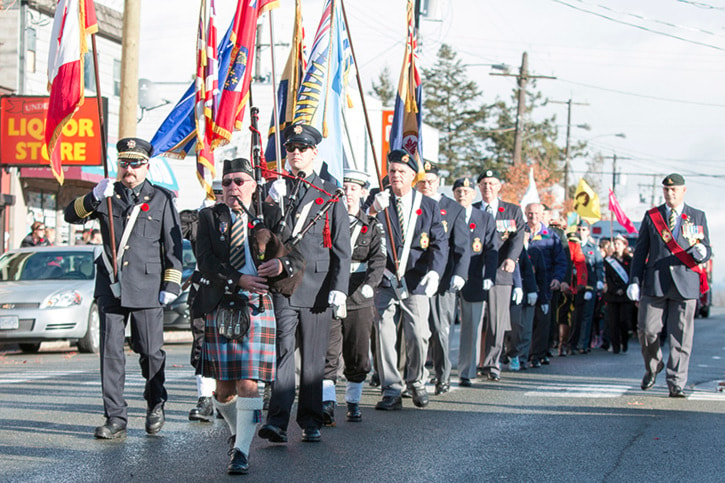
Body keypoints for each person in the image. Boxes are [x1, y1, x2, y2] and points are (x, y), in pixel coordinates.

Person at [64, 137, 183, 439]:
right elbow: (71, 216)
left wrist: (171, 282)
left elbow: (173, 248)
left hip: (147, 285)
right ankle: (115, 416)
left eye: (135, 164)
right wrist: (91, 197)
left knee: (150, 351)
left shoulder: (161, 198)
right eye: (124, 163)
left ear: (147, 166)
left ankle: (156, 401)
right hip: (112, 285)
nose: (129, 169)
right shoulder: (106, 195)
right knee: (111, 354)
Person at [193, 158, 302, 474]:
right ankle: (236, 433)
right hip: (222, 303)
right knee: (224, 390)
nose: (232, 188)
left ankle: (241, 451)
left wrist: (282, 266)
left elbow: (296, 254)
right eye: (226, 182)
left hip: (257, 305)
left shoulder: (270, 214)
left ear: (254, 185)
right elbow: (205, 262)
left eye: (239, 181)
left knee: (249, 383)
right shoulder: (209, 217)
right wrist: (237, 278)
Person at [259, 123, 351, 444]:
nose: (295, 154)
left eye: (301, 148)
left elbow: (341, 245)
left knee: (312, 358)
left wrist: (339, 287)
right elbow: (265, 236)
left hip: (318, 284)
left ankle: (310, 419)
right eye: (290, 148)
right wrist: (271, 205)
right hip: (285, 284)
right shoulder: (275, 188)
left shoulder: (329, 192)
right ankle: (278, 422)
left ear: (314, 153)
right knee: (283, 351)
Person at [371, 149, 447, 410]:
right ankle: (391, 387)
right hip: (384, 278)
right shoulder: (379, 200)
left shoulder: (428, 206)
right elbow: (359, 231)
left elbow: (439, 243)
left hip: (415, 280)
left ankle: (416, 380)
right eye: (392, 171)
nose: (395, 176)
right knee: (384, 334)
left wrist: (435, 272)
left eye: (401, 172)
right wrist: (371, 211)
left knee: (418, 334)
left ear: (413, 176)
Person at [627, 173, 711, 398]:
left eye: (674, 190)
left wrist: (703, 252)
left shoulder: (697, 216)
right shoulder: (652, 216)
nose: (669, 193)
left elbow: (706, 247)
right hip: (655, 282)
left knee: (681, 336)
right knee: (646, 330)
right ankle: (653, 366)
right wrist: (634, 280)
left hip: (685, 281)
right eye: (666, 190)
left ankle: (676, 381)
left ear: (684, 190)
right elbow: (640, 252)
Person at [322, 169, 385, 425]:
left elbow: (378, 260)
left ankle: (354, 401)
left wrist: (370, 285)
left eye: (353, 188)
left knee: (357, 352)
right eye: (344, 187)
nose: (348, 192)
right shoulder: (326, 221)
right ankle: (327, 402)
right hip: (328, 294)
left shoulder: (372, 226)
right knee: (328, 351)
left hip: (358, 295)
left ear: (362, 193)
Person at [416, 163, 469, 395]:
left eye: (431, 181)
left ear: (438, 182)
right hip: (415, 276)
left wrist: (459, 273)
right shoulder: (412, 203)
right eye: (422, 181)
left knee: (439, 329)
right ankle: (415, 376)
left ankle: (442, 376)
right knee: (415, 331)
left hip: (442, 279)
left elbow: (462, 246)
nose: (426, 186)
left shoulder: (452, 208)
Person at [473, 168, 524, 382]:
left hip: (501, 273)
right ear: (478, 187)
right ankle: (474, 362)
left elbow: (518, 237)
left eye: (492, 184)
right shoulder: (472, 209)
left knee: (496, 322)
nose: (488, 188)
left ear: (499, 187)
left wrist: (511, 258)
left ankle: (492, 363)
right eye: (484, 184)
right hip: (474, 272)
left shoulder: (511, 211)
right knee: (474, 320)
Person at [453, 177, 497, 386]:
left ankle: (466, 371)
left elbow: (491, 249)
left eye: (467, 191)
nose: (463, 194)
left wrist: (489, 276)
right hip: (446, 277)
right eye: (459, 191)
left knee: (471, 327)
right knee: (439, 326)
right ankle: (438, 368)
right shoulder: (444, 212)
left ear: (474, 195)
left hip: (475, 278)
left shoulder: (484, 218)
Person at [185, 179, 223, 423]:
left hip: (233, 289)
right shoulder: (200, 220)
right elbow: (175, 227)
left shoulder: (244, 217)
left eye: (224, 192)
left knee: (230, 346)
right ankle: (205, 398)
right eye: (215, 193)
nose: (220, 197)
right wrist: (197, 214)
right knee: (201, 343)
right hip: (204, 287)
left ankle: (227, 398)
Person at [524, 203, 567, 367]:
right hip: (524, 284)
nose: (532, 216)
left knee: (542, 321)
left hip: (545, 284)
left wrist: (558, 278)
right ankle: (521, 352)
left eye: (536, 213)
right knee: (523, 320)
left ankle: (537, 354)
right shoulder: (520, 233)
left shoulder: (550, 236)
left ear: (542, 215)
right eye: (529, 213)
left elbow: (561, 261)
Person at [570, 220, 604, 353]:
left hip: (590, 286)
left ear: (588, 232)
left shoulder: (593, 248)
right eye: (579, 229)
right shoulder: (573, 246)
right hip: (576, 286)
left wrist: (599, 281)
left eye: (584, 230)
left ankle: (583, 344)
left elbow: (598, 266)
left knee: (587, 316)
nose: (581, 232)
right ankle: (572, 344)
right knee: (575, 316)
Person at [604, 235, 634, 354]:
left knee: (624, 321)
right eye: (615, 244)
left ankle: (624, 341)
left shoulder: (629, 260)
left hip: (625, 296)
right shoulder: (609, 260)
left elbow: (631, 276)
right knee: (613, 322)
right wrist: (614, 289)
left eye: (618, 244)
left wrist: (623, 289)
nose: (616, 246)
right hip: (613, 295)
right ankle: (615, 346)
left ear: (624, 245)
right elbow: (608, 278)